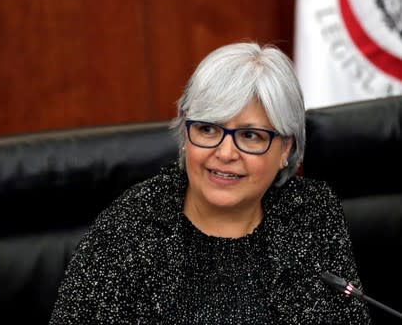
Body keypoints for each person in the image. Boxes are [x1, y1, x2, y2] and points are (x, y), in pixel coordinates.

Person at [48, 41, 371, 324]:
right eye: (207, 129)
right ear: (186, 135)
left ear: (285, 149)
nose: (225, 152)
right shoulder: (130, 227)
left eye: (250, 136)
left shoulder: (311, 213)